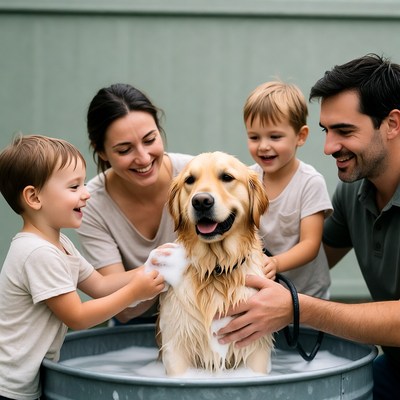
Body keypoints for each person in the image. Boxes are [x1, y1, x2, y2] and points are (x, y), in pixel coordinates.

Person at [217, 54, 400, 399]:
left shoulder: (316, 182)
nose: (328, 147)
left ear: (391, 124)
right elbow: (312, 258)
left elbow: (304, 275)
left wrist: (297, 307)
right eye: (326, 131)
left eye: (344, 131)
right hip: (392, 366)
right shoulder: (353, 190)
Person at [0, 134, 168, 400]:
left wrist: (149, 267)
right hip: (9, 385)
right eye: (74, 187)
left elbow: (100, 286)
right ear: (33, 197)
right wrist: (135, 293)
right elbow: (77, 317)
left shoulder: (61, 244)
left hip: (27, 381)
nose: (87, 193)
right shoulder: (36, 253)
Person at [75, 83, 193, 325]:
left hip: (202, 316)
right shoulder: (90, 205)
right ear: (102, 152)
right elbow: (124, 310)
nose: (143, 158)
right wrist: (169, 266)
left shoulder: (195, 177)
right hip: (133, 328)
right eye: (125, 149)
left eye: (150, 140)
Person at [244, 81, 332, 298]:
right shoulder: (246, 179)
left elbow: (310, 245)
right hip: (262, 291)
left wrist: (275, 262)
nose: (263, 145)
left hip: (306, 295)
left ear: (300, 136)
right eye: (254, 137)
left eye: (275, 137)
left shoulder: (310, 183)